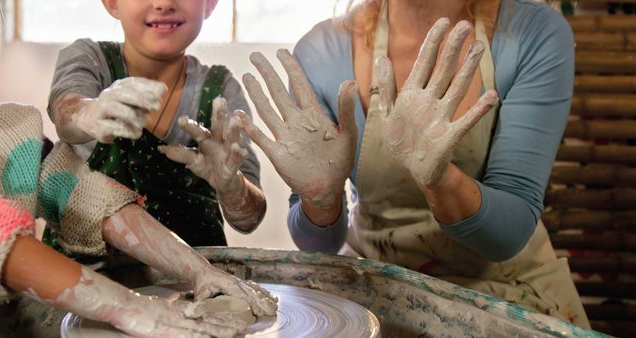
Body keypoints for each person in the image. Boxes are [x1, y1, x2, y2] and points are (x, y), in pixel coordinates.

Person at [238, 0, 590, 328]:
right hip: (375, 280)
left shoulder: (532, 33)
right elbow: (318, 245)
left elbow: (506, 237)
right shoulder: (321, 52)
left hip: (502, 288)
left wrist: (441, 180)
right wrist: (320, 199)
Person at [47, 0, 265, 247]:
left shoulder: (221, 89)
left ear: (210, 4)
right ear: (112, 3)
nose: (163, 3)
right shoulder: (90, 59)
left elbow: (250, 218)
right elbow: (66, 110)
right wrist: (88, 113)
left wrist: (233, 188)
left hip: (194, 276)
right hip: (86, 271)